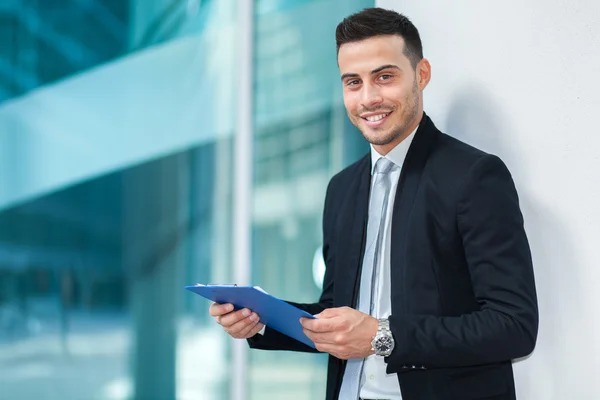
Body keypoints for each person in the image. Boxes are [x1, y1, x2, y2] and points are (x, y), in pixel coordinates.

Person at [209, 7, 538, 400]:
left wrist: (382, 337)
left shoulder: (475, 177)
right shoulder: (342, 188)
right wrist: (260, 319)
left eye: (384, 77)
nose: (368, 98)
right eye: (353, 82)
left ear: (422, 75)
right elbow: (339, 315)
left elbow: (513, 326)